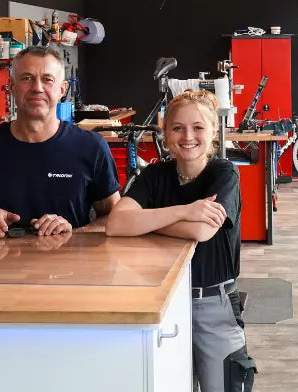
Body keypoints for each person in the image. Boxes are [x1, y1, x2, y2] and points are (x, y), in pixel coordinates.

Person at [106, 90, 255, 392]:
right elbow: (116, 224)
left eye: (198, 127)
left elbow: (203, 231)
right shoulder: (154, 176)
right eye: (178, 128)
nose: (188, 136)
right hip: (163, 303)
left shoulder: (223, 173)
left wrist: (148, 223)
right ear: (165, 133)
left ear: (213, 132)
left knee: (225, 385)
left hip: (215, 305)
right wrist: (184, 211)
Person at [0, 46, 120, 239]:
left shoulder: (91, 146)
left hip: (69, 266)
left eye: (47, 79)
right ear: (11, 86)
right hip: (1, 265)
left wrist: (73, 233)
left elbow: (116, 217)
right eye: (27, 78)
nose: (37, 88)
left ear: (62, 89)